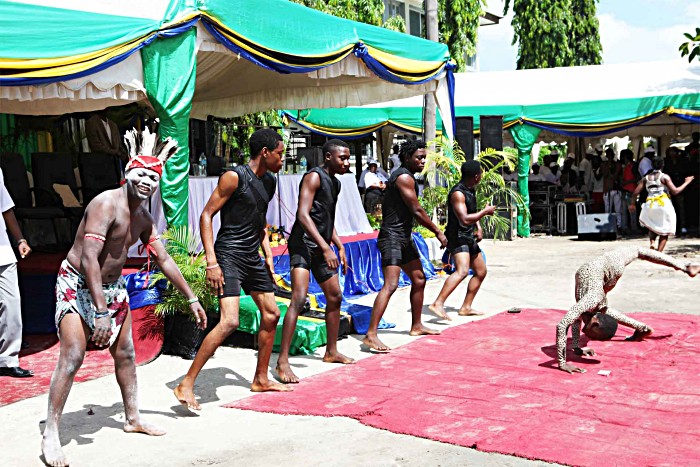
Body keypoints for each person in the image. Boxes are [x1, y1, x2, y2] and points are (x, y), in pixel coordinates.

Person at [42, 130, 207, 467]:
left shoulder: (144, 218)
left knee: (127, 354)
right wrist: (100, 312)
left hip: (114, 288)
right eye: (141, 174)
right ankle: (51, 432)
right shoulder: (106, 203)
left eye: (153, 177)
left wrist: (190, 297)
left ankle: (132, 417)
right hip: (77, 283)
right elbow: (89, 259)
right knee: (72, 355)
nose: (147, 181)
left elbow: (164, 258)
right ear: (128, 173)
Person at [174, 128, 291, 411]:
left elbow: (259, 219)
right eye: (279, 153)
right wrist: (211, 262)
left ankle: (261, 378)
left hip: (252, 256)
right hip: (228, 255)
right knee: (229, 322)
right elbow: (206, 215)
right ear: (265, 152)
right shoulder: (234, 177)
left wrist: (268, 253)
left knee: (272, 313)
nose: (282, 159)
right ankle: (186, 383)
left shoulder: (270, 182)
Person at [276, 139, 354, 383]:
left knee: (335, 296)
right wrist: (325, 247)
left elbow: (326, 220)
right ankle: (282, 361)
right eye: (342, 158)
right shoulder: (313, 177)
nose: (347, 162)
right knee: (298, 299)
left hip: (321, 244)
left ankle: (331, 351)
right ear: (329, 157)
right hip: (303, 244)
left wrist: (338, 246)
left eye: (348, 158)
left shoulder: (337, 183)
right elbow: (303, 214)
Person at [556, 246, 700, 374]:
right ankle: (685, 266)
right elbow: (567, 323)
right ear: (595, 323)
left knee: (638, 252)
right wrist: (572, 351)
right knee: (638, 251)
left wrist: (566, 358)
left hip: (605, 268)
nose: (589, 338)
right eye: (594, 336)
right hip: (608, 266)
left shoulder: (592, 302)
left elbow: (566, 323)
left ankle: (685, 266)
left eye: (593, 337)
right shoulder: (592, 302)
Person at [362, 140, 448, 352]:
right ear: (407, 157)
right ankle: (371, 334)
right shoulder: (402, 177)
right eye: (419, 157)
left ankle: (417, 325)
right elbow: (417, 210)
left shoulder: (407, 176)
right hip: (391, 237)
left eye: (424, 157)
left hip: (404, 237)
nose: (422, 161)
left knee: (419, 278)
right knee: (390, 285)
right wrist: (438, 231)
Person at [428, 161, 495, 320]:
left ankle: (466, 307)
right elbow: (464, 219)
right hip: (457, 237)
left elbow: (471, 212)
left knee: (481, 271)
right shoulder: (458, 193)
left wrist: (478, 227)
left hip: (468, 235)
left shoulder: (471, 190)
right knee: (462, 271)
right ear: (477, 176)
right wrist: (485, 212)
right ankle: (438, 303)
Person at [0, 169, 33, 378]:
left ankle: (7, 360)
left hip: (3, 250)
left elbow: (6, 207)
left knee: (11, 304)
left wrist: (20, 239)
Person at [629, 156, 694, 252]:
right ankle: (659, 254)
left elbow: (635, 193)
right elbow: (675, 191)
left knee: (652, 224)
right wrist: (687, 182)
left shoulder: (645, 178)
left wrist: (632, 204)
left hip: (650, 204)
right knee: (665, 230)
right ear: (663, 165)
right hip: (663, 204)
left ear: (651, 165)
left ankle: (652, 242)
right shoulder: (664, 177)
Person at [620, 149, 639, 233]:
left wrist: (627, 182)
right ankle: (625, 228)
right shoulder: (624, 166)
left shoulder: (633, 166)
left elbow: (637, 177)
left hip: (631, 190)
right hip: (624, 190)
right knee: (623, 211)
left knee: (632, 210)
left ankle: (634, 228)